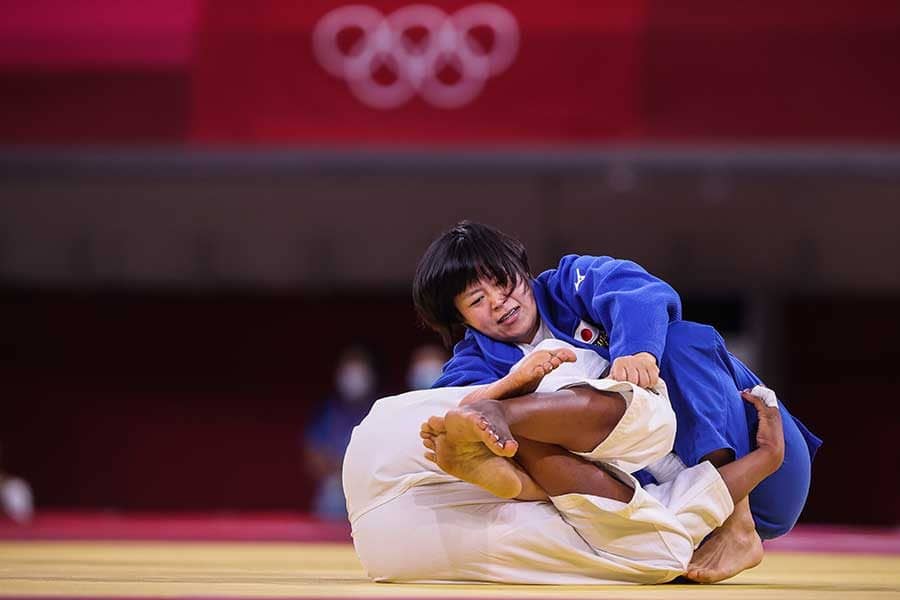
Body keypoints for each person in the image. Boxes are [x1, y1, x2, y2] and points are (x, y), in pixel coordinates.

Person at [412, 221, 822, 583]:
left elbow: (637, 291)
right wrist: (514, 382)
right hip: (674, 509)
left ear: (523, 270)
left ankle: (737, 521)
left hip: (765, 460)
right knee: (504, 433)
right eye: (476, 300)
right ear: (460, 318)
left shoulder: (571, 282)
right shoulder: (474, 364)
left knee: (679, 340)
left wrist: (639, 349)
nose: (498, 300)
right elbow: (450, 413)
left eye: (502, 281)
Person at [343, 342, 786, 584]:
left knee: (654, 524)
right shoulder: (568, 356)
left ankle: (517, 436)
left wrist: (767, 458)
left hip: (385, 453)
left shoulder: (488, 363)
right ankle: (517, 428)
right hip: (404, 545)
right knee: (660, 544)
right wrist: (767, 458)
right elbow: (687, 506)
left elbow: (687, 502)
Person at [303, 346, 379, 520]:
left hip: (371, 485)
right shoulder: (328, 411)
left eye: (359, 368)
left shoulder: (379, 408)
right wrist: (342, 469)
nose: (354, 376)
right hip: (336, 484)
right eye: (349, 369)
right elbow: (313, 456)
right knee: (333, 495)